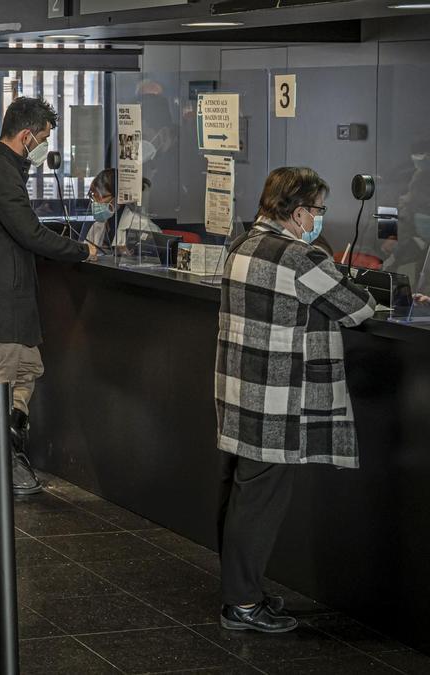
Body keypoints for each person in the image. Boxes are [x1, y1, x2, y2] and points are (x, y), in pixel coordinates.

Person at [215, 167, 376, 633]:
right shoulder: (298, 257)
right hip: (275, 398)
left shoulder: (240, 244)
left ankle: (240, 593)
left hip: (239, 389)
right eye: (319, 209)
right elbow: (357, 307)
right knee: (260, 501)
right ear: (299, 210)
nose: (320, 218)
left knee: (240, 493)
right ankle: (242, 603)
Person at [0, 97, 97, 495]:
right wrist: (81, 249)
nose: (45, 144)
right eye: (44, 136)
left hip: (5, 297)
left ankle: (8, 447)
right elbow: (27, 231)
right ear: (27, 134)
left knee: (26, 369)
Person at [85, 169, 161, 249]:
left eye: (101, 197)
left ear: (119, 198)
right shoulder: (96, 227)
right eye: (94, 196)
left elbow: (155, 258)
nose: (96, 202)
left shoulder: (143, 227)